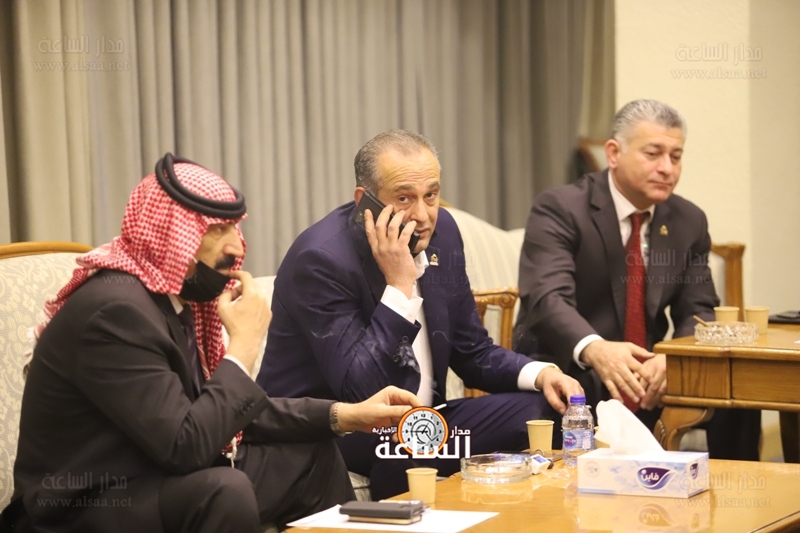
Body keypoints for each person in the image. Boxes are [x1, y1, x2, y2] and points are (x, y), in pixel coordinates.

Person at [0, 154, 421, 533]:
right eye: (217, 230)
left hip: (154, 474)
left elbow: (214, 412)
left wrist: (344, 415)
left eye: (234, 228)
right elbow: (185, 446)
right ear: (171, 235)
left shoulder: (168, 300)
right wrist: (243, 347)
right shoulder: (115, 313)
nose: (236, 246)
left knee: (313, 456)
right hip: (84, 505)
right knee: (223, 489)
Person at [257, 130, 583, 499]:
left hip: (426, 418)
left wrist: (542, 374)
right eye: (403, 198)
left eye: (431, 195)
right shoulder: (321, 260)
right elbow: (362, 390)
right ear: (365, 202)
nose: (423, 215)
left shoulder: (443, 232)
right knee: (412, 447)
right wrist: (399, 285)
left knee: (545, 408)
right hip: (339, 429)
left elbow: (472, 351)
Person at [513, 99, 761, 460]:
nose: (667, 168)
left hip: (648, 375)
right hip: (574, 368)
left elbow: (700, 308)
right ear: (614, 153)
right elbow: (546, 299)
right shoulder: (561, 208)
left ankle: (737, 492)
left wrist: (674, 358)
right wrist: (596, 349)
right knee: (570, 392)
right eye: (653, 154)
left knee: (738, 394)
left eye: (676, 156)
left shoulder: (689, 220)